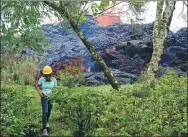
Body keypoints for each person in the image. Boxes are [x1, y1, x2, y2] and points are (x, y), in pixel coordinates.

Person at [35, 65, 57, 136]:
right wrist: (40, 93)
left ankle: (46, 121)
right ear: (44, 74)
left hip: (51, 98)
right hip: (44, 97)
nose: (47, 76)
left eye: (48, 74)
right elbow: (37, 86)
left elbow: (55, 89)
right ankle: (44, 129)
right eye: (46, 75)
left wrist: (54, 95)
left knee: (49, 111)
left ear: (51, 74)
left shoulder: (54, 80)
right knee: (45, 112)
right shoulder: (41, 79)